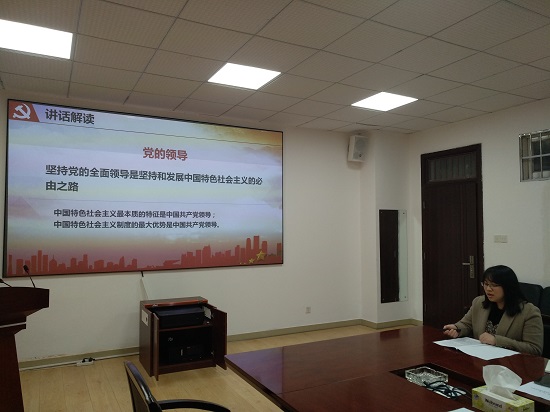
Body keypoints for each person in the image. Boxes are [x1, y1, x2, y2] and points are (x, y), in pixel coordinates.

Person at [443, 265, 543, 356]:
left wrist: (497, 341)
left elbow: (534, 349)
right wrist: (456, 328)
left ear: (508, 287)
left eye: (494, 285)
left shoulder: (529, 312)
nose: (488, 289)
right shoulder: (479, 302)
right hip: (479, 358)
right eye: (486, 284)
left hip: (510, 365)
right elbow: (467, 324)